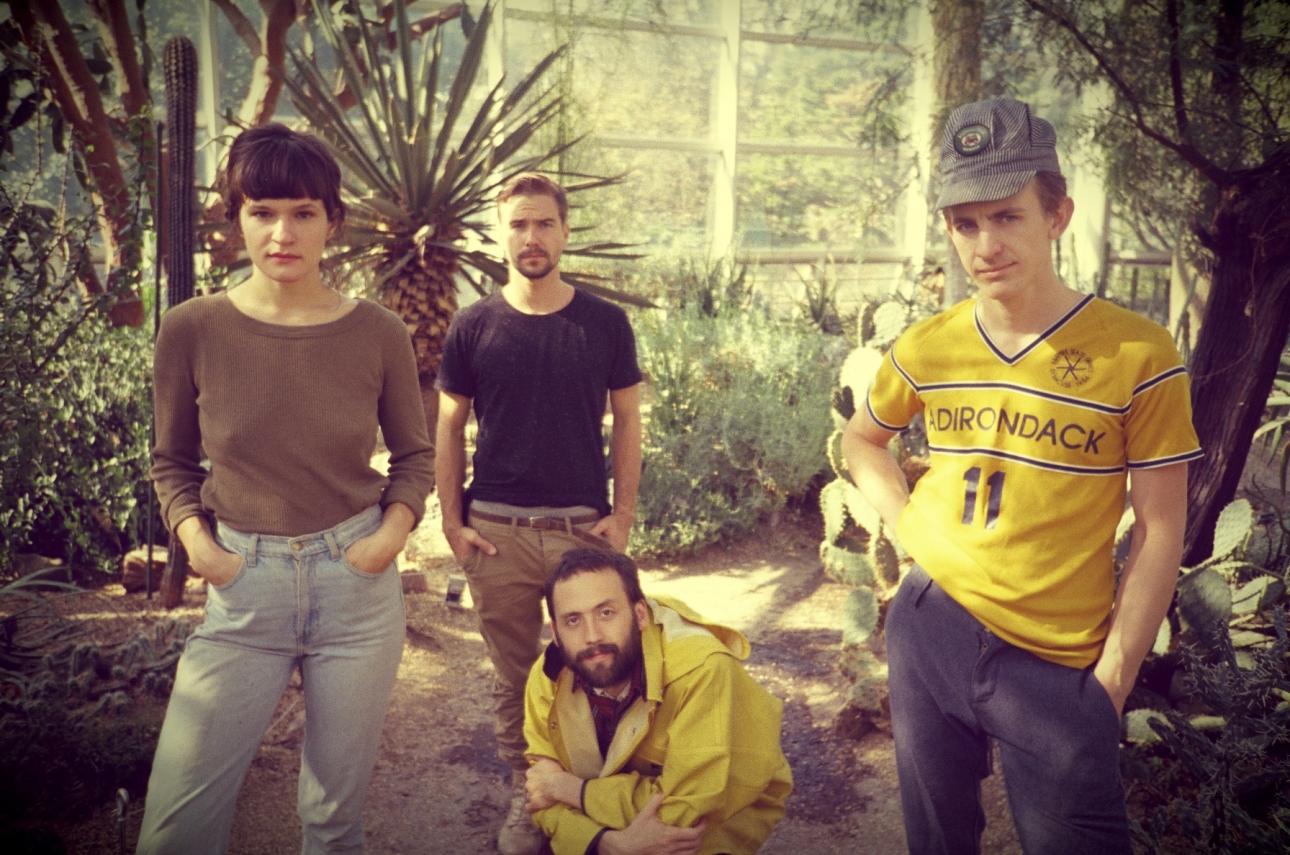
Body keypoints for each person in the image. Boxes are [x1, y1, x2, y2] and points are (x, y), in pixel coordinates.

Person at [841, 98, 1203, 855]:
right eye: (965, 223)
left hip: (1056, 663)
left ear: (1057, 215)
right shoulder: (928, 345)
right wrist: (908, 526)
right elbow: (863, 440)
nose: (986, 245)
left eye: (1007, 217)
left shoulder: (1139, 353)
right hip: (929, 628)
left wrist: (1111, 681)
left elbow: (1162, 526)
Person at [138, 124, 434, 855]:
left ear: (333, 220)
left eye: (303, 212)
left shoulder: (378, 332)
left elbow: (414, 456)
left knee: (333, 822)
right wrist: (203, 549)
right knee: (177, 826)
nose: (282, 233)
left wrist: (388, 539)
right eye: (262, 211)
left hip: (356, 589)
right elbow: (171, 461)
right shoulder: (191, 328)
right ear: (236, 217)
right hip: (245, 586)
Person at [435, 174, 643, 854]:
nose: (532, 237)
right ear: (500, 235)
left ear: (564, 231)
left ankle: (602, 791)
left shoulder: (604, 323)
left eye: (544, 223)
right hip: (498, 533)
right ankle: (531, 794)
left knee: (605, 665)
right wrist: (452, 521)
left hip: (584, 530)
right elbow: (448, 427)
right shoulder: (473, 325)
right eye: (519, 225)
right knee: (516, 677)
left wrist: (622, 515)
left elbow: (628, 422)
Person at [522, 548, 793, 855]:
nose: (592, 636)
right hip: (602, 827)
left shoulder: (702, 670)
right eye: (573, 620)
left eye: (606, 613)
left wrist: (568, 788)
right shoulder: (548, 676)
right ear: (556, 634)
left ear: (639, 614)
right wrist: (605, 843)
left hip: (701, 828)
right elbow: (540, 790)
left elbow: (683, 810)